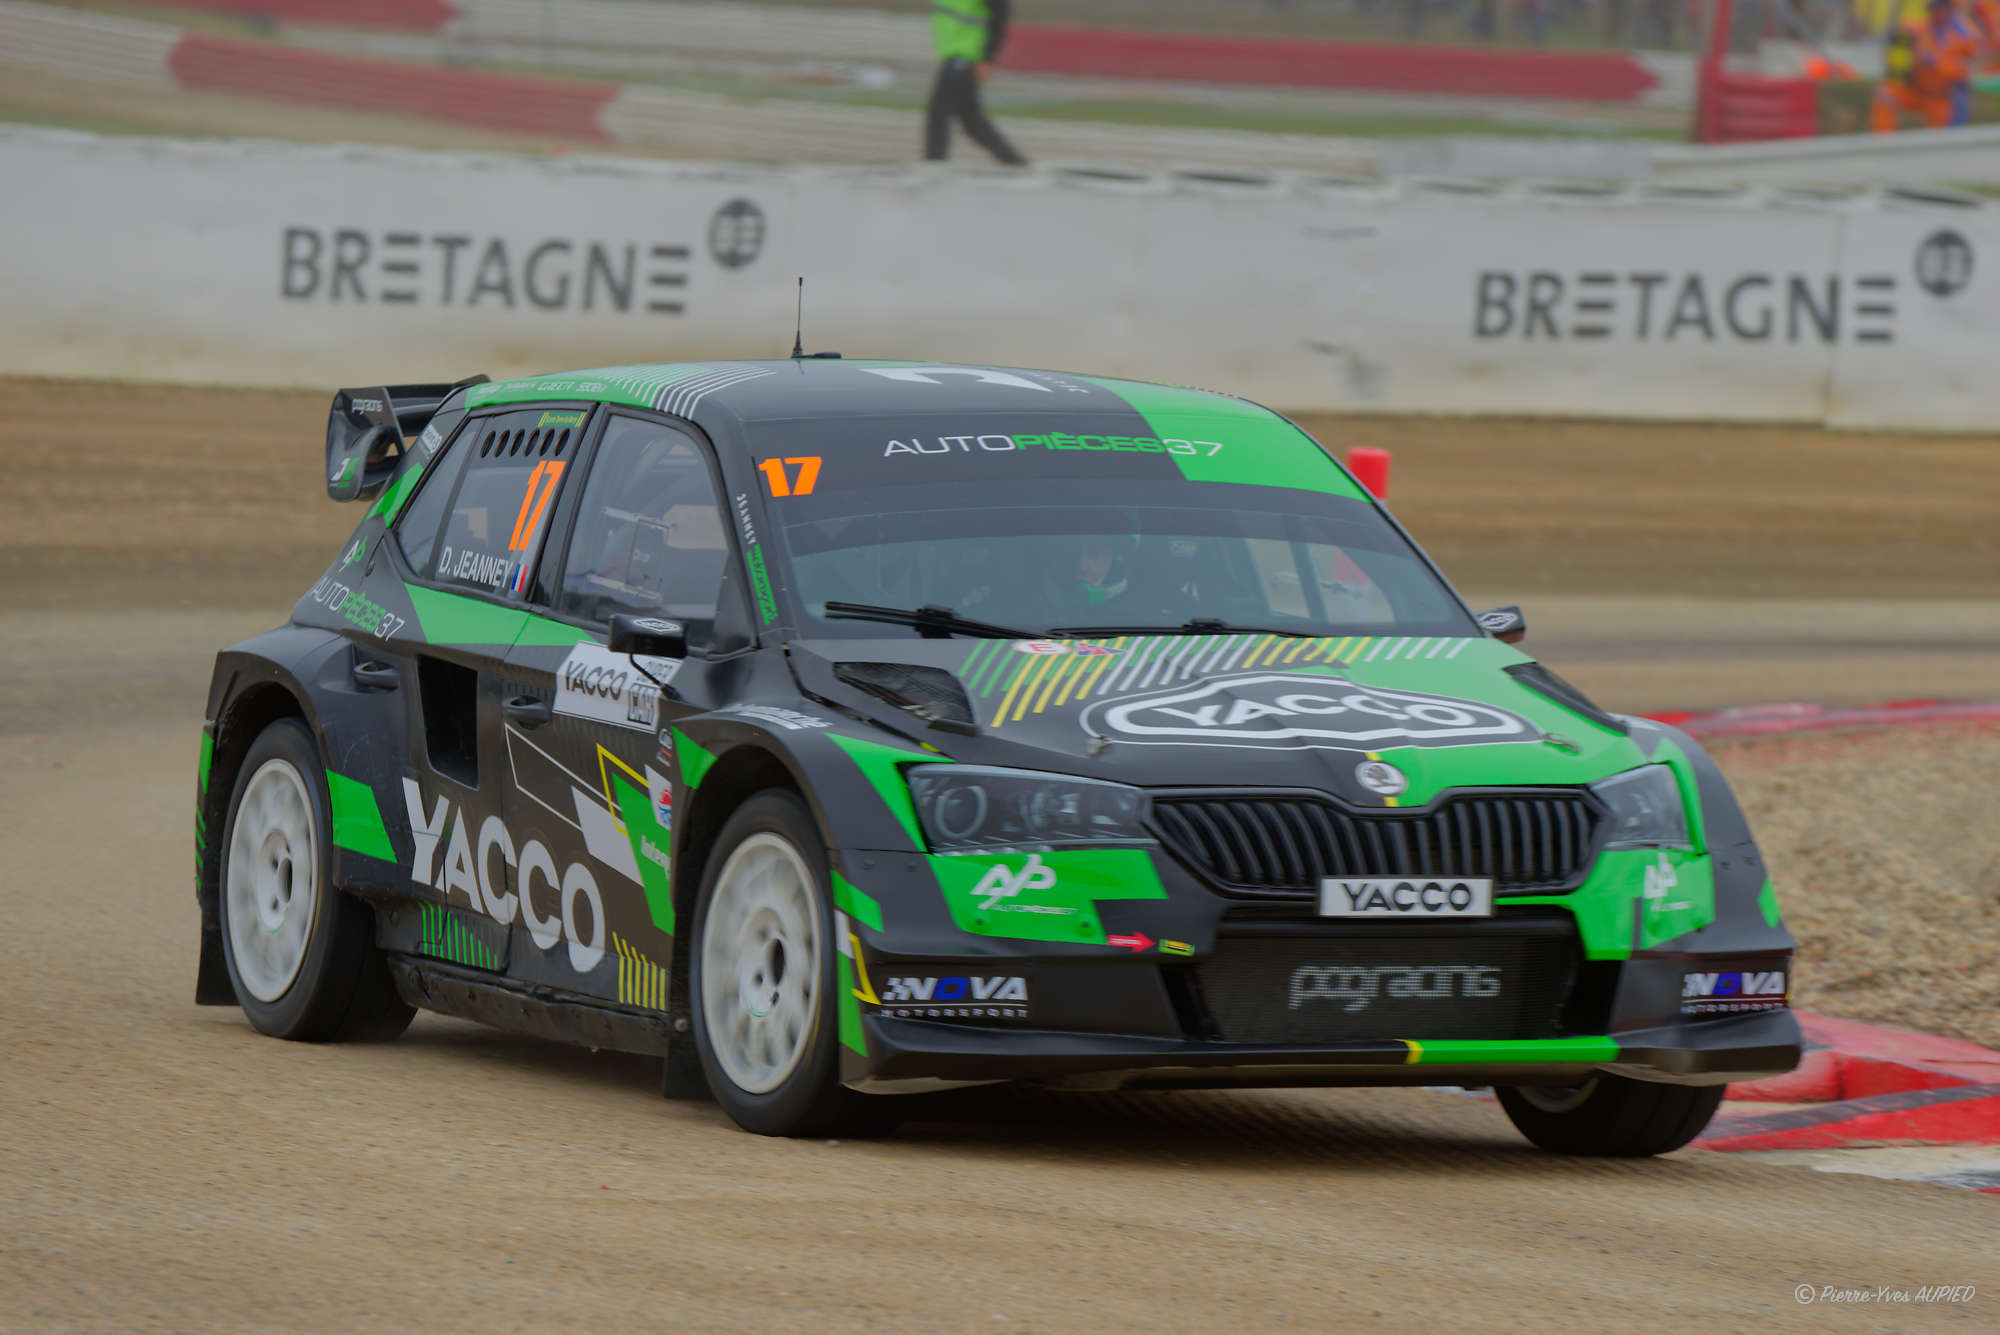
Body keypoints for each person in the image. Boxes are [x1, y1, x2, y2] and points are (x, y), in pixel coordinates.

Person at [925, 0, 1027, 165]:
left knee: (939, 114)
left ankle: (934, 165)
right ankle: (1015, 163)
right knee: (972, 122)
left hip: (967, 56)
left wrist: (988, 58)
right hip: (956, 55)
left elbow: (1000, 13)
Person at [1872, 0, 1980, 132]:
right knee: (1885, 95)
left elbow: (1964, 71)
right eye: (1933, 8)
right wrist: (1902, 47)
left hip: (1940, 96)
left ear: (1950, 9)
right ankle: (1884, 141)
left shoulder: (1966, 34)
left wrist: (1934, 61)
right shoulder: (1918, 29)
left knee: (1943, 135)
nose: (1936, 13)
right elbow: (1895, 66)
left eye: (1941, 8)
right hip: (1915, 89)